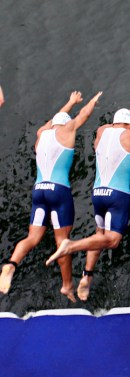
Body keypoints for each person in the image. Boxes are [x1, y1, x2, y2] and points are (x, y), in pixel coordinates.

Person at [46, 94, 130, 299]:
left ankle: (86, 276)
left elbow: (121, 125)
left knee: (100, 235)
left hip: (98, 193)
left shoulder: (102, 131)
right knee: (112, 240)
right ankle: (71, 245)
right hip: (117, 196)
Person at [0, 91, 102, 298]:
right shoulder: (68, 131)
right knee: (62, 242)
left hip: (39, 191)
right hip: (58, 192)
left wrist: (69, 102)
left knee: (32, 237)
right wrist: (92, 100)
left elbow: (53, 121)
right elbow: (83, 115)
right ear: (65, 124)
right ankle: (67, 286)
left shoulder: (42, 134)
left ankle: (11, 264)